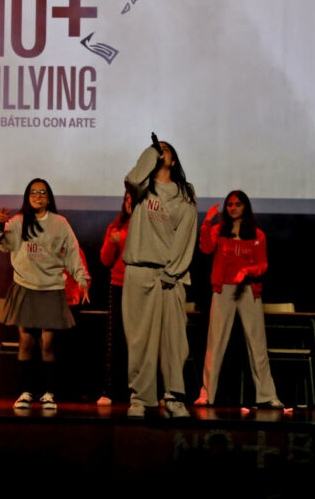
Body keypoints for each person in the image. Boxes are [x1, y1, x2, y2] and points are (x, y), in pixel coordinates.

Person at [0, 178, 90, 411]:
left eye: (42, 192)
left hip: (51, 288)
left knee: (47, 343)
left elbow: (73, 252)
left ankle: (48, 393)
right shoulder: (18, 222)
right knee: (25, 341)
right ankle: (25, 392)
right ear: (27, 196)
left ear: (49, 197)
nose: (38, 196)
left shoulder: (60, 223)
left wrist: (82, 279)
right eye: (33, 192)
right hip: (25, 287)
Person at [121, 135, 197, 418]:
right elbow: (132, 178)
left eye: (165, 150)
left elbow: (186, 235)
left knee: (174, 341)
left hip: (170, 275)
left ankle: (175, 398)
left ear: (174, 160)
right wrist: (151, 152)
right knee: (139, 340)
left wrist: (172, 272)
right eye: (157, 149)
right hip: (139, 271)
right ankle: (140, 398)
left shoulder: (185, 192)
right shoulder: (142, 187)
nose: (160, 151)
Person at [194, 190, 284, 409]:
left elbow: (263, 264)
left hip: (248, 290)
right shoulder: (218, 230)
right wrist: (207, 222)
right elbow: (206, 248)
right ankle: (206, 394)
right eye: (230, 204)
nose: (233, 208)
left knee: (257, 344)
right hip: (223, 289)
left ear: (245, 207)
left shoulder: (257, 234)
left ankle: (267, 395)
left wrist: (247, 271)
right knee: (215, 343)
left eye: (238, 204)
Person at [96, 190, 132, 406]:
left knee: (141, 341)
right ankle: (110, 390)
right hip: (119, 285)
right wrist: (112, 242)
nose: (130, 203)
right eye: (127, 199)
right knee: (116, 340)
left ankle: (141, 390)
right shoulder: (117, 226)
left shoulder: (150, 227)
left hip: (144, 288)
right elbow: (105, 260)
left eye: (134, 199)